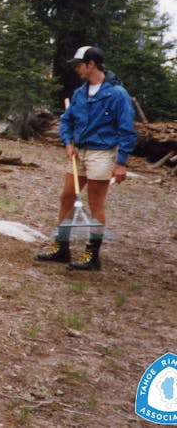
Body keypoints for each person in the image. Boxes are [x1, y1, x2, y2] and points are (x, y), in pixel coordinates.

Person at [36, 46, 136, 271]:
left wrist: (121, 162)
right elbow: (67, 120)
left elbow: (127, 129)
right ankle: (61, 246)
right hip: (79, 152)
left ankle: (92, 255)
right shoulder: (80, 93)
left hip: (101, 153)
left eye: (79, 65)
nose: (76, 69)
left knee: (95, 203)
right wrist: (68, 142)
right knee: (67, 196)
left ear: (91, 64)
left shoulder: (117, 94)